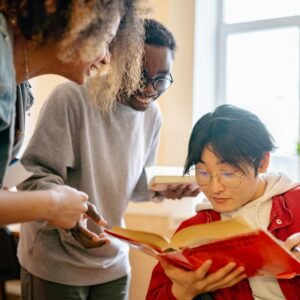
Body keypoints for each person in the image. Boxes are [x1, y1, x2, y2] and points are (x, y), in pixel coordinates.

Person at [17, 19, 200, 300]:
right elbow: (31, 179)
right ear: (115, 60)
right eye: (140, 75)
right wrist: (66, 208)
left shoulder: (153, 116)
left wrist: (164, 190)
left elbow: (136, 188)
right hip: (55, 264)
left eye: (161, 79)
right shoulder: (71, 98)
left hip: (114, 263)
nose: (150, 89)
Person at [0, 0, 146, 228]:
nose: (107, 58)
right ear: (74, 21)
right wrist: (52, 203)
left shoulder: (20, 86)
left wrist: (53, 193)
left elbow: (6, 166)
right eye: (106, 40)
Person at [146, 104, 300, 300]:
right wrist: (182, 292)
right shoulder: (194, 230)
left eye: (228, 173)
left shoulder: (296, 203)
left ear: (262, 162)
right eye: (203, 173)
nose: (215, 188)